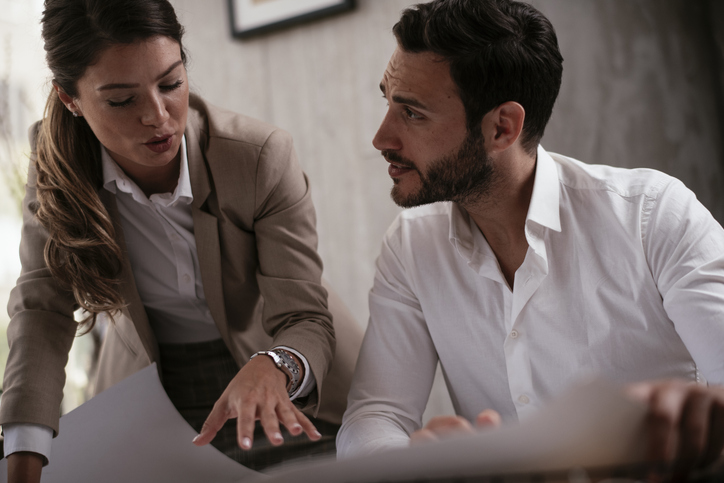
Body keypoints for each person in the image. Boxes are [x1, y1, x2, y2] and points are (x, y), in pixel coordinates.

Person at [337, 0, 724, 480]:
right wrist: (421, 465)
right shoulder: (411, 247)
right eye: (388, 102)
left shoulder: (652, 214)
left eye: (412, 113)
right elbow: (376, 416)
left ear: (502, 127)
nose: (382, 137)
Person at [0, 0, 361, 481]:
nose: (158, 115)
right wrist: (23, 450)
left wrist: (277, 364)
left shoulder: (257, 156)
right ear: (71, 99)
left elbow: (303, 316)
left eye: (170, 83)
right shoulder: (57, 168)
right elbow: (42, 310)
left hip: (278, 371)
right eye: (122, 100)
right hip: (152, 381)